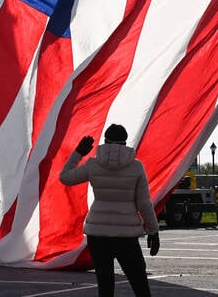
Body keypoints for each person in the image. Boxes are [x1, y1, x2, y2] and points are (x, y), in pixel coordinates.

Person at [60, 124, 160, 297]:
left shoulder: (92, 164)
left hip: (97, 234)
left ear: (105, 141)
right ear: (125, 142)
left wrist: (78, 153)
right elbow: (144, 203)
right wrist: (153, 230)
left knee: (105, 285)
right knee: (140, 284)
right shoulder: (136, 167)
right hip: (126, 234)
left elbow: (65, 178)